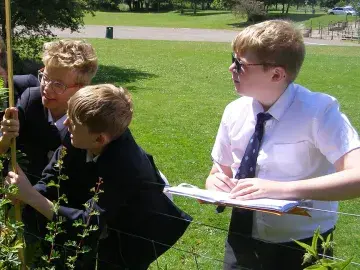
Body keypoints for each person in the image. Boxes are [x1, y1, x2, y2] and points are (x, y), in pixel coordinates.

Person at [205, 20, 360, 270]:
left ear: (276, 74)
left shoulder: (320, 111)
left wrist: (280, 189)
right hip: (241, 241)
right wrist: (214, 184)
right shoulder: (234, 111)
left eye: (240, 64)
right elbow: (218, 172)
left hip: (303, 246)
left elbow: (357, 177)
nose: (230, 68)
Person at [6, 84, 192, 269]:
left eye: (73, 121)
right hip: (106, 209)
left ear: (99, 139)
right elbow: (54, 175)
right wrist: (25, 194)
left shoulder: (126, 166)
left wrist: (31, 196)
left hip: (137, 228)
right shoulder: (80, 133)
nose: (65, 123)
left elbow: (87, 225)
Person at [0, 39, 98, 184]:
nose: (46, 88)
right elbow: (3, 149)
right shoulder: (30, 100)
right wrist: (6, 136)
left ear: (81, 88)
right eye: (45, 77)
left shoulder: (90, 119)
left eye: (58, 84)